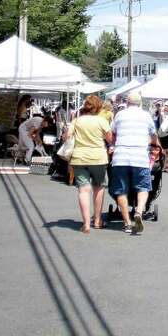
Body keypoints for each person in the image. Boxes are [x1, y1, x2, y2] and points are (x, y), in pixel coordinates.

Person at [110, 91, 160, 235]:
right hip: (140, 157)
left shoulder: (119, 115)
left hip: (120, 157)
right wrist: (156, 145)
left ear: (127, 103)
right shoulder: (146, 116)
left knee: (121, 190)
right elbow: (153, 135)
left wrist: (113, 145)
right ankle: (138, 211)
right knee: (143, 187)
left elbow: (113, 133)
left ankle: (126, 223)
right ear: (140, 103)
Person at [69, 95, 114, 233]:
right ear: (98, 107)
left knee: (83, 190)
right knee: (99, 188)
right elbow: (110, 138)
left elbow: (67, 137)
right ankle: (98, 220)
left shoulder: (76, 121)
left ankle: (86, 224)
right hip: (98, 158)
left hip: (79, 157)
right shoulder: (101, 121)